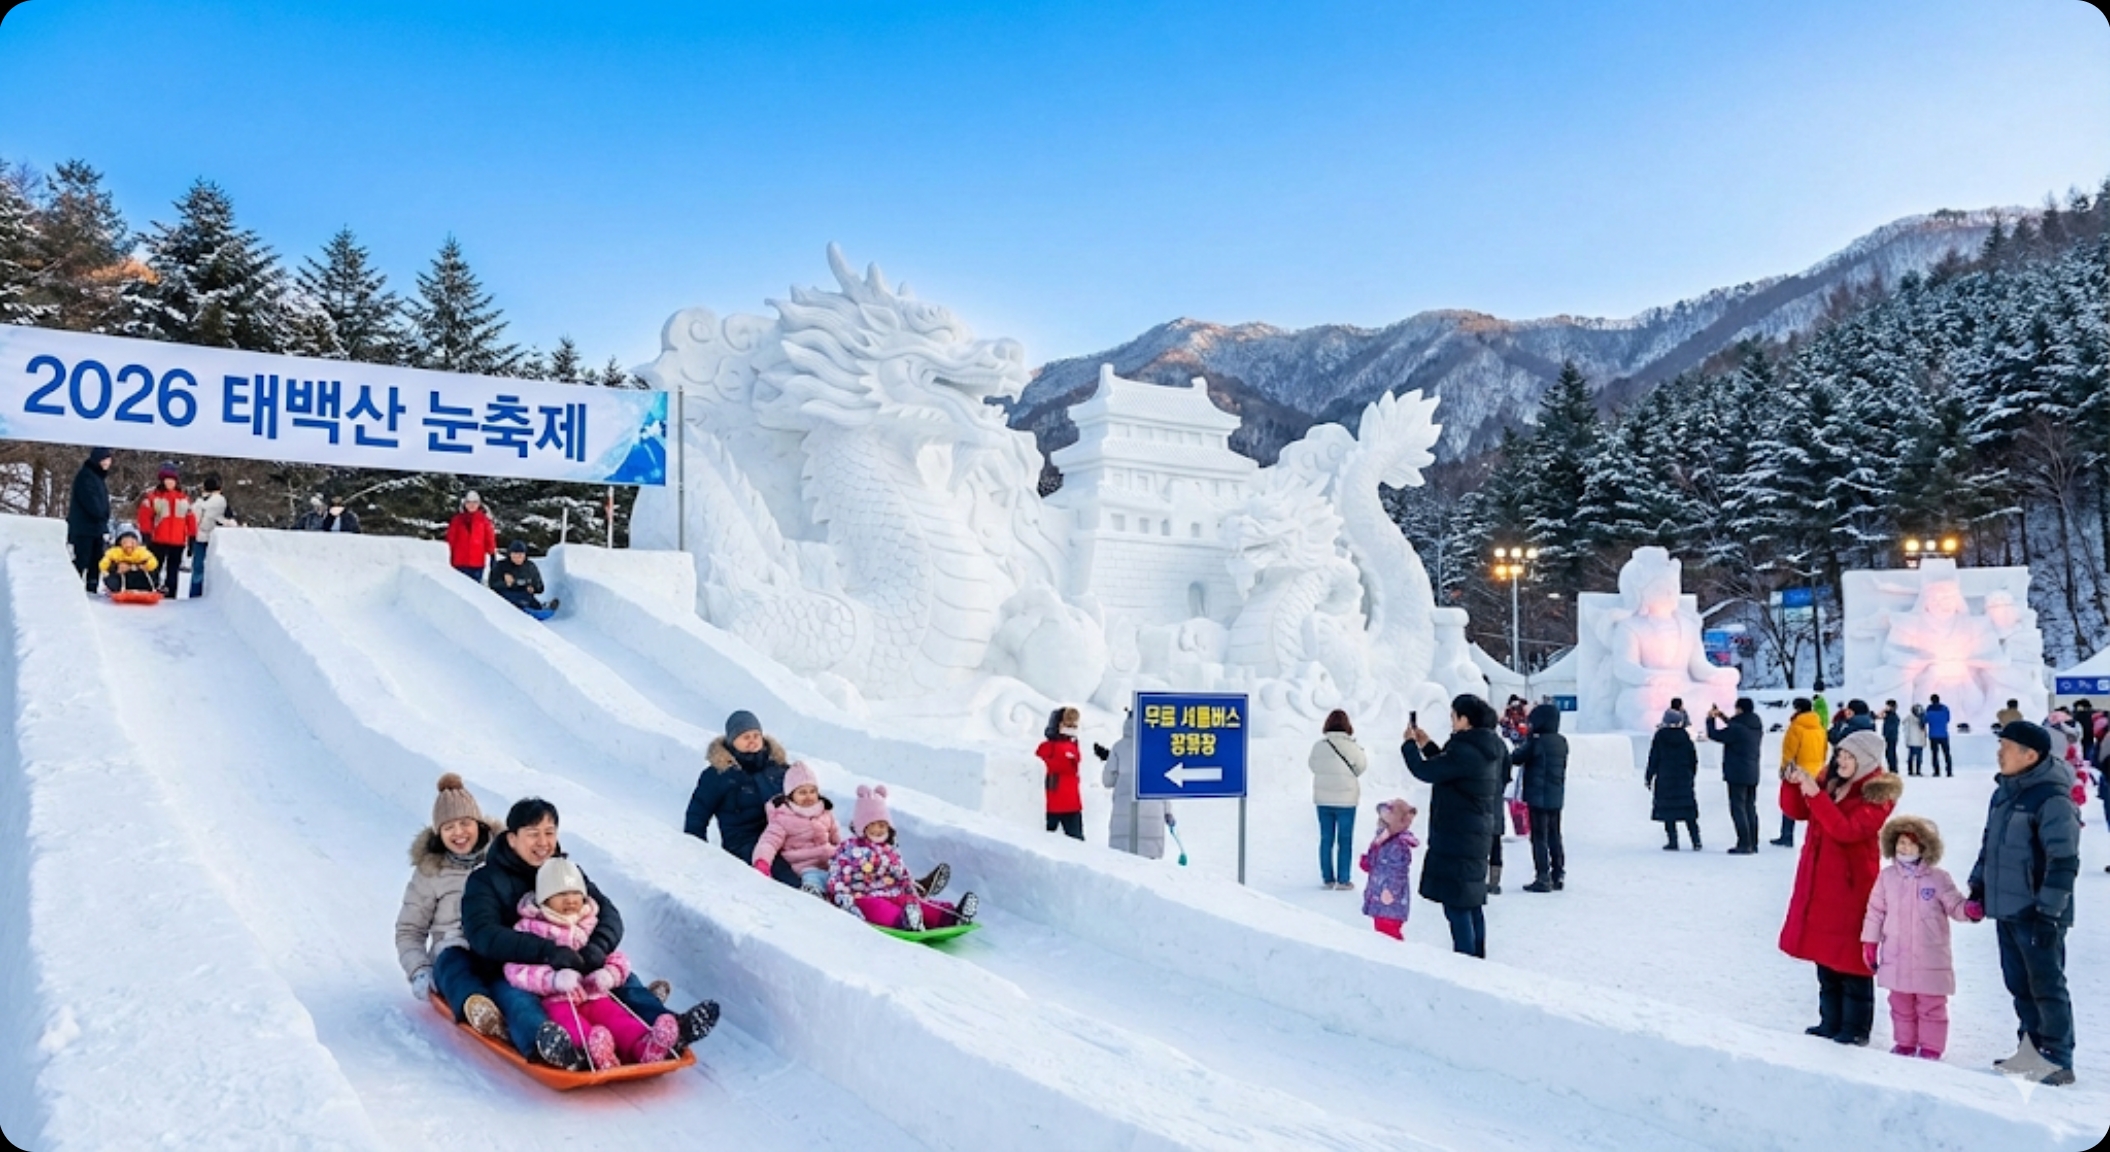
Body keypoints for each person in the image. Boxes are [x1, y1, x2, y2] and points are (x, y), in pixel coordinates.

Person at [461, 797, 718, 1070]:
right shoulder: (485, 880)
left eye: (549, 833)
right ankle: (555, 1050)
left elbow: (608, 913)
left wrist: (596, 947)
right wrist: (547, 952)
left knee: (624, 982)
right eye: (533, 834)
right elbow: (483, 933)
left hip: (574, 959)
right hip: (516, 969)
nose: (543, 842)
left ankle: (667, 1031)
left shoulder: (568, 873)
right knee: (520, 1004)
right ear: (512, 839)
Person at [1965, 720, 2081, 1086]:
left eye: (2006, 747)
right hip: (2008, 908)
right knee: (2019, 984)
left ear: (2030, 755)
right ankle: (2029, 1052)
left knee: (2046, 985)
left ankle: (2058, 1058)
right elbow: (1991, 845)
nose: (1999, 753)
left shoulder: (2052, 799)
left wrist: (2049, 911)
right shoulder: (2004, 793)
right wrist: (1979, 884)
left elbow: (2063, 862)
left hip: (2039, 913)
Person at [1778, 728, 1900, 1047]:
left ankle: (1856, 1028)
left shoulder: (1878, 793)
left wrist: (1815, 795)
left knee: (1852, 960)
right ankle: (1829, 1020)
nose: (1841, 761)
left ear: (1866, 761)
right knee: (1824, 955)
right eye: (1840, 755)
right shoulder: (1831, 782)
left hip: (1853, 886)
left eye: (1849, 757)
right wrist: (1793, 786)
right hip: (1820, 880)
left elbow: (1845, 830)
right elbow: (1797, 811)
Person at [503, 857, 680, 1069]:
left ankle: (645, 1046)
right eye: (560, 894)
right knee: (570, 1025)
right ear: (543, 899)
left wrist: (609, 973)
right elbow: (516, 970)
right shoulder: (531, 927)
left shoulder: (589, 922)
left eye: (575, 893)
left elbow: (616, 957)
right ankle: (591, 1051)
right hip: (556, 1000)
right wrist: (553, 980)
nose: (570, 900)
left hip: (594, 994)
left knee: (618, 1018)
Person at [395, 773, 506, 1039]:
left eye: (465, 823)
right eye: (448, 827)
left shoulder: (501, 861)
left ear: (478, 824)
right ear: (439, 833)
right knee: (455, 969)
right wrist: (419, 970)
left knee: (512, 976)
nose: (458, 833)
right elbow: (409, 929)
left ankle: (527, 1018)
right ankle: (479, 1009)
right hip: (453, 949)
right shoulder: (430, 873)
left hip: (495, 945)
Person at [1862, 814, 1973, 1060]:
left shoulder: (1938, 878)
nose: (1905, 847)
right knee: (1900, 1004)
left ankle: (1931, 1046)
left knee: (1931, 1005)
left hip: (1929, 955)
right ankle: (1905, 1042)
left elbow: (1954, 905)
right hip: (1896, 953)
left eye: (1911, 843)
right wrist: (1870, 942)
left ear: (1924, 846)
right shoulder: (1887, 877)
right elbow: (1875, 911)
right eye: (1901, 842)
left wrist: (1968, 910)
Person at [1401, 694, 1504, 958]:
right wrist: (1427, 745)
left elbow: (1427, 772)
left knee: (1457, 905)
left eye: (1453, 716)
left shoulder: (1465, 749)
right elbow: (1452, 771)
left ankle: (1466, 962)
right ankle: (1477, 957)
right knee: (1471, 902)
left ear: (1465, 719)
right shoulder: (1485, 746)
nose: (1451, 721)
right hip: (1474, 833)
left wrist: (1410, 746)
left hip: (1458, 833)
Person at [827, 785, 978, 930]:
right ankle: (904, 921)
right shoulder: (849, 849)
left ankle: (951, 916)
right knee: (879, 909)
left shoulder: (890, 849)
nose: (878, 830)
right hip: (863, 896)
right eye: (872, 825)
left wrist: (910, 887)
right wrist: (842, 898)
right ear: (861, 826)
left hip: (893, 892)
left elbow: (901, 873)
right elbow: (837, 876)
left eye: (882, 825)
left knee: (915, 903)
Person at [684, 711, 798, 886]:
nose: (752, 740)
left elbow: (801, 796)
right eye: (745, 737)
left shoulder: (777, 767)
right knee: (782, 872)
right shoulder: (718, 774)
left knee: (809, 858)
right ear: (732, 741)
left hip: (780, 832)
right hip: (744, 840)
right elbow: (698, 813)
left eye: (756, 736)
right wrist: (696, 851)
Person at [752, 761, 841, 895]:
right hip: (804, 865)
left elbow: (836, 837)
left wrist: (845, 854)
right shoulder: (782, 818)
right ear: (790, 795)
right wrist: (762, 861)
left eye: (812, 791)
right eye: (802, 792)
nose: (808, 796)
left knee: (844, 876)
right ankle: (814, 894)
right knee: (813, 878)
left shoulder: (824, 812)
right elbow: (769, 842)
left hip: (828, 861)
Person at [1512, 702, 1569, 891]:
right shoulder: (1561, 742)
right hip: (1556, 794)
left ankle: (1543, 876)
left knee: (1539, 837)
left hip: (1537, 795)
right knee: (1554, 834)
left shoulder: (1536, 741)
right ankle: (1558, 873)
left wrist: (1527, 739)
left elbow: (1517, 758)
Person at [1309, 710, 1368, 890]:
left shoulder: (1319, 746)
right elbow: (1362, 766)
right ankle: (1343, 880)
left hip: (1323, 799)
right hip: (1346, 800)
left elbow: (1312, 765)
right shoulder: (1352, 747)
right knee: (1345, 840)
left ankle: (1328, 879)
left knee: (1326, 839)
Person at [1104, 712, 1173, 859]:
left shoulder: (1119, 747)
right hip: (1153, 810)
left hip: (1124, 810)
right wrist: (1168, 811)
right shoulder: (1159, 747)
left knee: (1122, 861)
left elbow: (1107, 781)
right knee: (1150, 863)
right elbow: (1166, 781)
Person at [1707, 698, 1765, 855]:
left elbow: (1714, 734)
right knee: (1750, 807)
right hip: (1752, 771)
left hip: (1737, 772)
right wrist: (1722, 716)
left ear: (1739, 709)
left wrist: (1710, 719)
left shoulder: (1737, 729)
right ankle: (1753, 842)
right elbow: (1735, 726)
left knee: (1738, 808)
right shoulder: (1755, 725)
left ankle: (1744, 843)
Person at [1359, 799, 1418, 939]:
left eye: (1384, 821)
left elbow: (1398, 872)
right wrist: (1368, 862)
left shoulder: (1398, 844)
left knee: (1389, 931)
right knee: (1380, 928)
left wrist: (1391, 890)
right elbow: (1379, 860)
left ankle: (1395, 956)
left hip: (1390, 898)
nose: (1380, 824)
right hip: (1379, 891)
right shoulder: (1383, 838)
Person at [1771, 698, 1826, 848]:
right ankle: (1818, 834)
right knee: (1814, 805)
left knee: (1791, 802)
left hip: (1798, 771)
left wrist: (1784, 768)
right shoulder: (1819, 727)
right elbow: (1824, 750)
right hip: (1816, 770)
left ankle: (1786, 835)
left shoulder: (1796, 727)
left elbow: (1789, 751)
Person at [137, 463, 196, 597]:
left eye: (172, 480)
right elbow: (144, 516)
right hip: (158, 539)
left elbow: (191, 519)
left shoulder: (184, 499)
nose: (170, 482)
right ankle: (151, 590)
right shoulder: (153, 497)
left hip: (178, 541)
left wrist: (192, 537)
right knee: (154, 567)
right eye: (167, 479)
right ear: (162, 480)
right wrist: (145, 533)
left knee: (173, 570)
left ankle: (171, 594)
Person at [1646, 709, 1702, 851]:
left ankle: (1673, 841)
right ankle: (1696, 840)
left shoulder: (1660, 737)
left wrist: (1649, 776)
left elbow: (1654, 758)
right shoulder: (1686, 737)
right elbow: (1693, 759)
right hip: (1683, 778)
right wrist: (1691, 775)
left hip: (1665, 777)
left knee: (1668, 811)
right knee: (1688, 811)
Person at [65, 447, 113, 594]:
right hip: (84, 528)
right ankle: (73, 589)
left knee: (96, 561)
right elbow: (91, 502)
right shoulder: (86, 476)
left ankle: (91, 588)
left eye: (108, 459)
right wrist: (102, 514)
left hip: (96, 528)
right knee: (82, 560)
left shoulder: (98, 477)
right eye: (104, 459)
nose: (107, 463)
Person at [1037, 707, 1086, 840]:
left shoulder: (1051, 746)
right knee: (1076, 842)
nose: (1071, 728)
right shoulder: (1064, 746)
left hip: (1057, 802)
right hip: (1065, 802)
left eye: (1073, 725)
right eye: (1067, 724)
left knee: (1046, 841)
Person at [188, 473, 234, 598]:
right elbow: (227, 519)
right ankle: (209, 596)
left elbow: (193, 520)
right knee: (214, 568)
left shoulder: (199, 502)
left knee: (198, 568)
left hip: (200, 537)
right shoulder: (221, 501)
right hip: (215, 538)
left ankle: (195, 594)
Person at [488, 540, 559, 613]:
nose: (518, 558)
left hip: (525, 595)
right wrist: (506, 584)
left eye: (521, 555)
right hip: (507, 597)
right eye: (515, 555)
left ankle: (542, 608)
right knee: (517, 602)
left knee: (530, 602)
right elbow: (492, 584)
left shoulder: (530, 567)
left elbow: (540, 587)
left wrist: (533, 588)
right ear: (510, 554)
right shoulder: (501, 566)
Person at [446, 491, 498, 582]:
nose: (472, 505)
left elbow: (489, 539)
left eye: (474, 502)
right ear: (465, 503)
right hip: (459, 562)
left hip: (477, 563)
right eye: (469, 502)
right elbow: (451, 539)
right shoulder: (457, 520)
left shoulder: (484, 520)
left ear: (479, 504)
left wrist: (492, 554)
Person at [1924, 694, 1953, 777]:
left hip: (1933, 735)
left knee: (1934, 754)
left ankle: (1936, 771)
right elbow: (1948, 719)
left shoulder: (1929, 709)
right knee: (1947, 753)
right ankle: (1949, 771)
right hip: (1943, 734)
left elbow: (1925, 720)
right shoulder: (1945, 709)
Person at [1902, 703, 1929, 777]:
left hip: (1912, 741)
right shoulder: (1922, 719)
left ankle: (1911, 771)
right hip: (1919, 741)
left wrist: (1907, 740)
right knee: (1918, 757)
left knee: (1911, 756)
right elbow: (1924, 732)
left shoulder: (1909, 718)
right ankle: (1917, 771)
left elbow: (1904, 726)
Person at [1879, 700, 1901, 774]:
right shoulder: (1889, 715)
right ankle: (1892, 768)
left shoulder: (1892, 716)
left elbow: (1891, 727)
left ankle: (1893, 768)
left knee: (1890, 753)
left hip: (1891, 737)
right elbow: (1879, 715)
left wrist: (1886, 734)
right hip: (1890, 736)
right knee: (1889, 753)